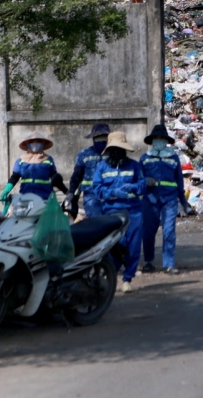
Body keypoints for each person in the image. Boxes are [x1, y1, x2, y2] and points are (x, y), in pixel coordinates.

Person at [91, 131, 146, 293]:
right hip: (112, 212)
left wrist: (134, 188)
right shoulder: (102, 167)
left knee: (134, 245)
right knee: (116, 245)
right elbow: (97, 189)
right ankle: (111, 275)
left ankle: (127, 278)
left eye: (119, 149)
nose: (116, 152)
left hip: (133, 210)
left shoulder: (135, 166)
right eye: (113, 149)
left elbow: (142, 185)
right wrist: (113, 192)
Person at [139, 125, 191, 276]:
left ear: (166, 141)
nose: (159, 142)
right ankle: (148, 261)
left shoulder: (173, 158)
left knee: (169, 232)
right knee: (148, 232)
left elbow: (179, 181)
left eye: (162, 139)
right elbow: (139, 179)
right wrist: (145, 182)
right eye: (157, 139)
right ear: (152, 141)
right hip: (150, 200)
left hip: (169, 200)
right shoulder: (145, 158)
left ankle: (169, 264)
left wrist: (183, 201)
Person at [0, 135, 69, 206]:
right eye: (32, 142)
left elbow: (55, 178)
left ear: (43, 144)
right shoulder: (21, 160)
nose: (35, 144)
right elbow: (14, 177)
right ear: (27, 144)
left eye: (38, 142)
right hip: (26, 198)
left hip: (44, 198)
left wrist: (67, 192)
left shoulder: (48, 159)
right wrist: (6, 191)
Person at [69, 122, 110, 219]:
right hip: (91, 196)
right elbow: (77, 175)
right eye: (98, 138)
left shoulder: (114, 154)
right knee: (96, 223)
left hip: (110, 195)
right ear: (93, 139)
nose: (101, 141)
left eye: (104, 137)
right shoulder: (84, 154)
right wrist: (71, 192)